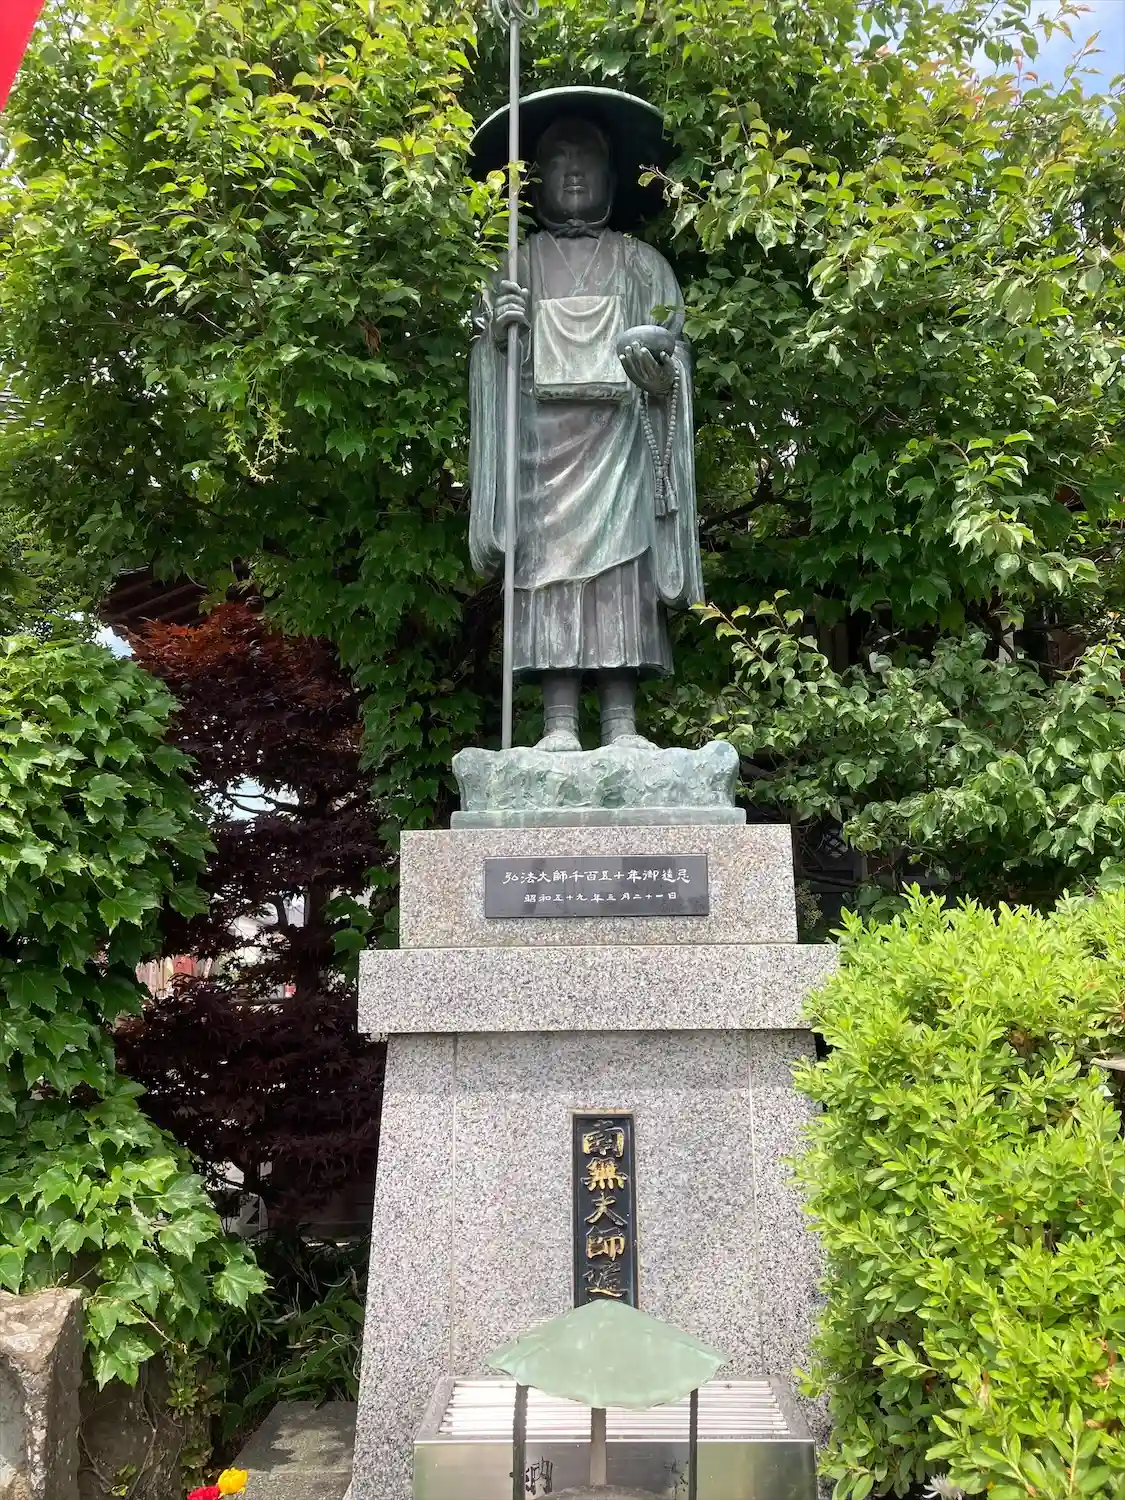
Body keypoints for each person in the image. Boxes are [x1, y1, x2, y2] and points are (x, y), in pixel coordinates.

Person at [468, 90, 703, 752]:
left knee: (622, 577)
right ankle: (559, 722)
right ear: (536, 177)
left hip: (622, 448)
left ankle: (623, 722)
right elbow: (485, 361)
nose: (573, 171)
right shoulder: (514, 265)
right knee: (547, 577)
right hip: (540, 457)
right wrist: (497, 341)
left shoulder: (643, 265)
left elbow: (676, 356)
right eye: (557, 158)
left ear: (610, 173)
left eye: (587, 158)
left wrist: (661, 372)